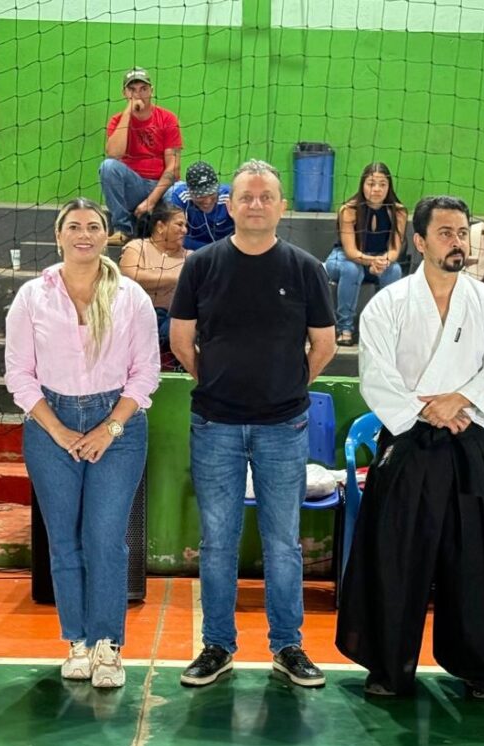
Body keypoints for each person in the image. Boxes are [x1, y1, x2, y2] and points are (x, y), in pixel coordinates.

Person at [336, 195, 484, 697]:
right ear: (419, 242)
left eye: (462, 232)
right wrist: (426, 410)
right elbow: (376, 375)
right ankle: (388, 667)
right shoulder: (389, 304)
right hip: (410, 442)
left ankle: (480, 668)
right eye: (445, 232)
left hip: (470, 440)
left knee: (474, 560)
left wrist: (460, 399)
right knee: (397, 557)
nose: (457, 241)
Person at [169, 160, 336, 688]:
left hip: (283, 427)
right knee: (218, 541)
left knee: (282, 541)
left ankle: (288, 646)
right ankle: (217, 645)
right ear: (229, 204)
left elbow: (324, 346)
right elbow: (180, 340)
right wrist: (217, 380)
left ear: (281, 206)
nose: (256, 204)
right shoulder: (201, 265)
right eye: (246, 196)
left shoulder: (306, 268)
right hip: (214, 424)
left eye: (266, 196)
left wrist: (285, 386)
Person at [5, 198, 159, 689]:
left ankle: (108, 646)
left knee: (105, 539)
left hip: (118, 425)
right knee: (64, 540)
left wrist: (108, 429)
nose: (83, 234)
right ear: (59, 236)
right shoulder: (32, 296)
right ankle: (76, 641)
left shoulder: (131, 297)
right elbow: (18, 375)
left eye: (93, 226)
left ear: (107, 235)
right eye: (73, 226)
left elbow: (145, 373)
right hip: (50, 425)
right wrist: (59, 430)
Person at [323, 162, 407, 345]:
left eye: (382, 184)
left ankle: (384, 327)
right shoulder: (349, 210)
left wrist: (383, 262)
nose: (376, 189)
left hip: (377, 258)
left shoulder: (398, 212)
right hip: (344, 258)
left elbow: (394, 249)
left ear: (389, 186)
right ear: (363, 185)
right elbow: (351, 252)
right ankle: (344, 328)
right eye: (371, 184)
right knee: (353, 269)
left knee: (394, 270)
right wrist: (373, 261)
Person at [101, 68, 182, 243]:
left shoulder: (167, 119)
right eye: (132, 90)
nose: (138, 94)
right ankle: (125, 230)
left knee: (181, 190)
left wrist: (151, 201)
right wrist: (128, 112)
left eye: (143, 89)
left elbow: (174, 167)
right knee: (107, 167)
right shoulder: (117, 120)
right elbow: (114, 154)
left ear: (151, 91)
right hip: (133, 186)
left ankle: (168, 235)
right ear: (124, 93)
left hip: (162, 188)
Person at [118, 200, 188, 348]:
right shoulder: (137, 247)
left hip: (175, 320)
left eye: (185, 226)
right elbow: (131, 277)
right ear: (160, 226)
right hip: (138, 317)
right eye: (179, 224)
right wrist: (175, 278)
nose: (184, 230)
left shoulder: (190, 256)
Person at [165, 161, 234, 251]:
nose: (207, 201)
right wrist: (211, 250)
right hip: (195, 252)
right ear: (189, 191)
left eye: (211, 193)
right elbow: (175, 236)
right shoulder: (180, 197)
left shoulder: (229, 196)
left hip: (227, 250)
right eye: (200, 196)